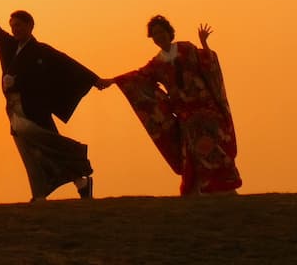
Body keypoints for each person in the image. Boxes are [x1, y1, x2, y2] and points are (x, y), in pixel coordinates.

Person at [0, 0, 99, 201]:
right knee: (29, 151)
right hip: (14, 108)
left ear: (30, 26)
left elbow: (68, 64)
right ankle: (52, 190)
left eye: (19, 25)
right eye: (13, 25)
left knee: (49, 144)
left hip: (35, 107)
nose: (15, 29)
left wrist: (95, 80)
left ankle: (77, 177)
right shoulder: (9, 45)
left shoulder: (41, 50)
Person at [99, 15, 242, 196]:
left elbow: (208, 63)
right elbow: (138, 78)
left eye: (161, 32)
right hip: (185, 114)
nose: (159, 37)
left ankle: (222, 187)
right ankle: (203, 189)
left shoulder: (186, 48)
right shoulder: (157, 63)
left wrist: (204, 43)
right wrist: (114, 80)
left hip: (206, 107)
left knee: (211, 145)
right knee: (192, 149)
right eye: (155, 34)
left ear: (169, 33)